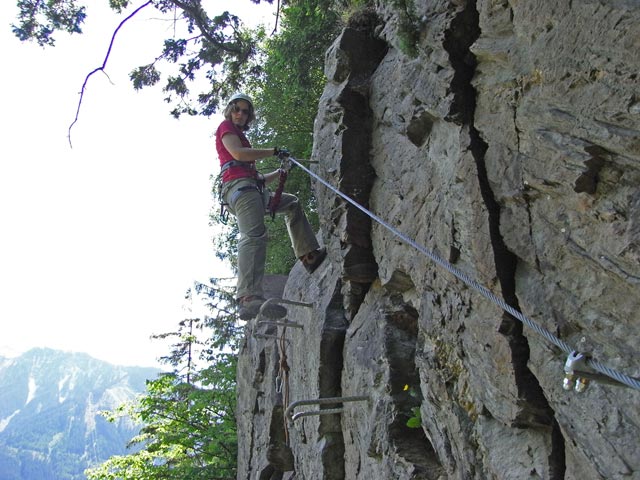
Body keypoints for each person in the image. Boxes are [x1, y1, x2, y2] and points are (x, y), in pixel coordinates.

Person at [216, 93, 327, 320]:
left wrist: (281, 172)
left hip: (253, 189)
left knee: (292, 203)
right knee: (254, 235)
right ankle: (248, 297)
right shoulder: (225, 127)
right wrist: (273, 151)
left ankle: (309, 255)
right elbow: (238, 154)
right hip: (240, 190)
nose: (240, 114)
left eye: (245, 111)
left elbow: (258, 178)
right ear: (230, 109)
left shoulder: (241, 137)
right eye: (237, 108)